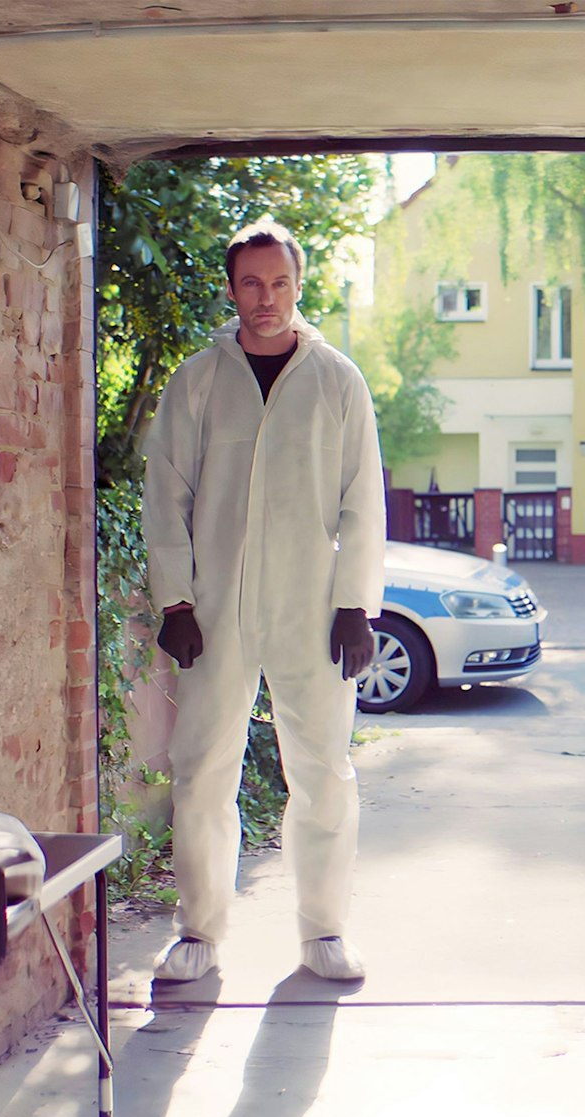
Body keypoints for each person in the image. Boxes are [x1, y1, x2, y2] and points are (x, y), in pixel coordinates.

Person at [141, 217, 386, 983]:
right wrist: (174, 601)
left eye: (279, 282)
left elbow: (363, 500)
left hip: (311, 606)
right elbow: (165, 494)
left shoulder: (336, 379)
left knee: (322, 769)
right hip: (216, 607)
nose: (265, 297)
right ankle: (199, 931)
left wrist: (357, 604)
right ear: (231, 287)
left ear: (298, 287)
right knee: (202, 767)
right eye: (251, 282)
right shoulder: (199, 380)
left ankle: (324, 931)